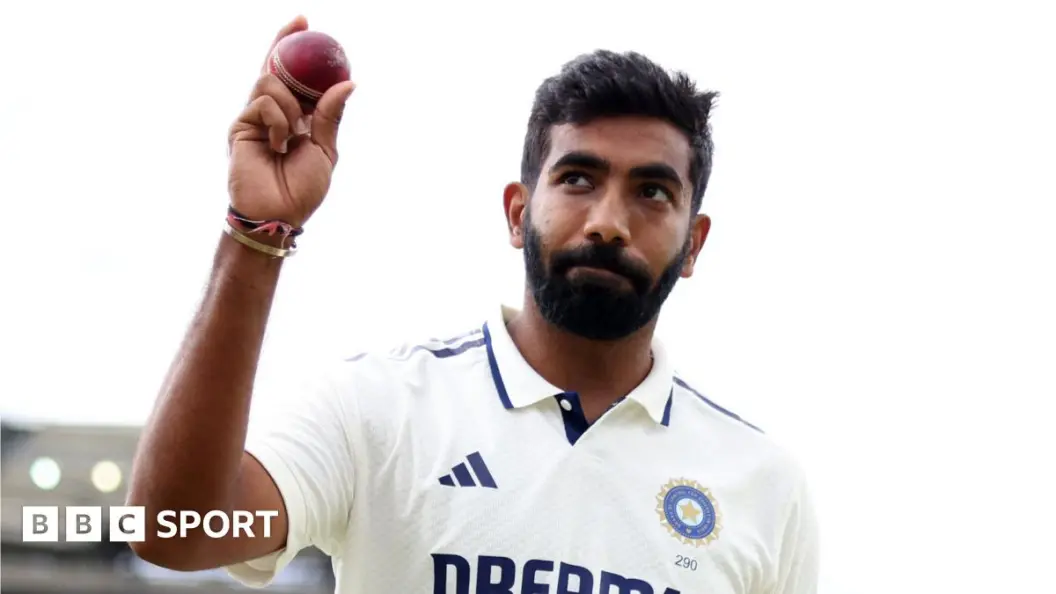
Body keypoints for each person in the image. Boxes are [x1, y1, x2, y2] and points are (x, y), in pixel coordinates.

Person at [127, 16, 819, 594]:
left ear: (693, 243)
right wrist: (255, 235)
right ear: (517, 213)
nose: (609, 222)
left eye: (653, 192)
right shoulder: (381, 407)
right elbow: (171, 531)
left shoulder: (764, 486)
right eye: (578, 178)